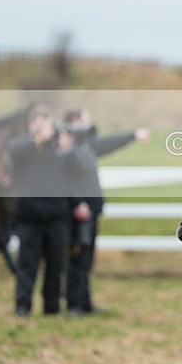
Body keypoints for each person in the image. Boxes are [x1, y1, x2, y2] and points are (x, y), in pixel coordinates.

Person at [62, 107, 149, 315]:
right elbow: (65, 179)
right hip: (78, 212)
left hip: (91, 211)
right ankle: (73, 304)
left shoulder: (86, 146)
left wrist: (132, 136)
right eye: (84, 120)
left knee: (87, 258)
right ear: (74, 122)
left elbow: (109, 143)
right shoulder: (67, 149)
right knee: (77, 257)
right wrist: (77, 203)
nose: (88, 125)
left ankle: (85, 302)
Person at [9, 105, 78, 317]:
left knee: (56, 265)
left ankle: (52, 306)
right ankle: (23, 305)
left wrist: (67, 150)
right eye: (42, 125)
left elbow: (72, 174)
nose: (48, 130)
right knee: (27, 263)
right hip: (30, 216)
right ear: (32, 125)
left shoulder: (57, 149)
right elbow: (15, 153)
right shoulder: (23, 146)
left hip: (57, 216)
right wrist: (38, 138)